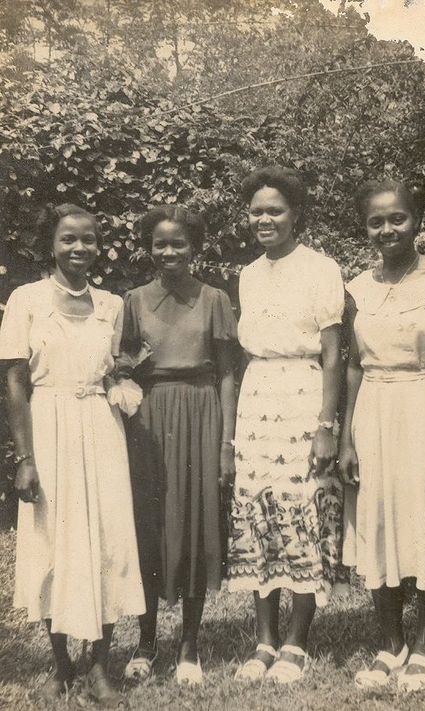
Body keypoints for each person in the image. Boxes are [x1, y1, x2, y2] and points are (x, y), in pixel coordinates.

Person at [0, 204, 145, 706]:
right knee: (52, 546)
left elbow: (110, 369)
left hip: (101, 430)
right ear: (52, 244)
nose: (79, 248)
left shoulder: (111, 305)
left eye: (88, 239)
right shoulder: (26, 300)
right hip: (49, 428)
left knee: (106, 543)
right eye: (68, 240)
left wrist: (119, 382)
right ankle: (62, 662)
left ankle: (100, 664)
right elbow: (16, 382)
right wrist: (25, 458)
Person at [340, 180, 425, 691]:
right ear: (366, 226)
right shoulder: (359, 287)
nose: (387, 229)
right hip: (373, 408)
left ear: (416, 219)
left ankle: (424, 646)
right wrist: (348, 438)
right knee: (379, 518)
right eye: (376, 221)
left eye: (397, 218)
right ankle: (388, 643)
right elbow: (353, 368)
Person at [227, 167, 346, 684]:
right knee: (259, 513)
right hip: (257, 397)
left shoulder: (321, 268)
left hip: (303, 396)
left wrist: (326, 424)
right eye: (256, 210)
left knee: (303, 513)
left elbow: (335, 352)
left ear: (296, 214)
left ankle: (297, 642)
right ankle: (264, 640)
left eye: (275, 209)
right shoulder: (248, 274)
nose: (264, 218)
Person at [119, 205, 237, 685]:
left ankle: (189, 647)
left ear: (195, 248)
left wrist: (227, 440)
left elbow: (228, 373)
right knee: (147, 526)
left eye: (179, 244)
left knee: (194, 522)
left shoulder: (214, 299)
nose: (169, 253)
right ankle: (146, 643)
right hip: (148, 417)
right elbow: (123, 368)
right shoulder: (132, 300)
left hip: (200, 410)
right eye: (160, 244)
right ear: (149, 248)